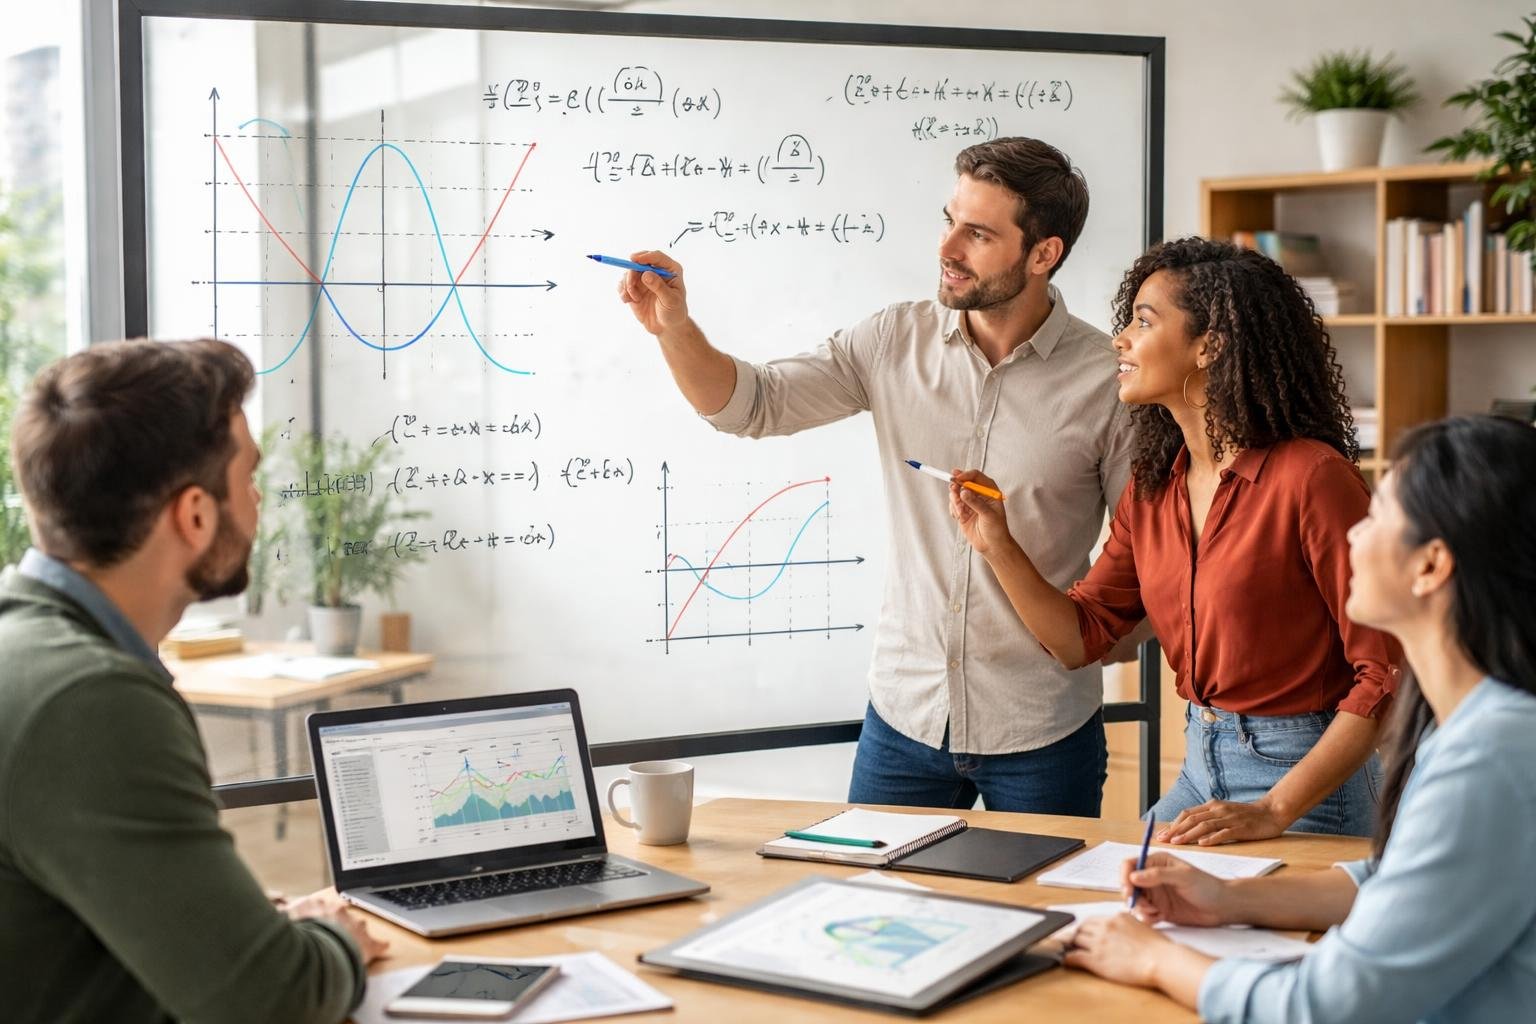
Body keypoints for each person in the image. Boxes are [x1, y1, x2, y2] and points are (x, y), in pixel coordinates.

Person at [618, 137, 1139, 815]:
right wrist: (674, 329)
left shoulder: (1109, 381)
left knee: (1045, 919)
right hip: (904, 722)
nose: (947, 248)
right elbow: (752, 405)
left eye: (977, 234)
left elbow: (1142, 567)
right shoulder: (893, 340)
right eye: (948, 221)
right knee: (868, 909)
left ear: (1044, 254)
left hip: (1042, 732)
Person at [1062, 414, 1536, 1022]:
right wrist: (1224, 899)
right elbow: (1390, 882)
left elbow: (1326, 1006)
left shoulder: (1490, 759)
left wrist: (1155, 959)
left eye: (1381, 515)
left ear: (1431, 566)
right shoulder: (1469, 726)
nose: (1355, 533)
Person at [950, 237, 1398, 841]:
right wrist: (997, 543)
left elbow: (1385, 675)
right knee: (1101, 901)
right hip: (1199, 765)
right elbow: (1078, 637)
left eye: (1143, 321)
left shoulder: (1311, 478)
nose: (1120, 339)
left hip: (1307, 781)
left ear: (1210, 345)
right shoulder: (1155, 488)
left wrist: (1273, 810)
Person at [0, 339, 386, 1024]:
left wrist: (246, 928)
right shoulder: (89, 700)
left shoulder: (30, 649)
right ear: (196, 515)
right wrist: (334, 936)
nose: (260, 501)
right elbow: (273, 1004)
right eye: (249, 479)